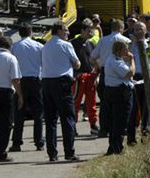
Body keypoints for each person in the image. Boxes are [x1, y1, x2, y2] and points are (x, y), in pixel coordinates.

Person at [42, 22, 81, 162]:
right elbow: (77, 63)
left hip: (46, 82)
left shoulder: (46, 46)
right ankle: (69, 152)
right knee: (67, 118)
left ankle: (52, 153)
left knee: (51, 120)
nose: (68, 33)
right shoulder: (66, 45)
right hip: (61, 82)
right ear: (58, 31)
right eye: (66, 30)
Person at [91, 19, 131, 138]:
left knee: (104, 102)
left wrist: (98, 67)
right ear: (121, 28)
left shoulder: (103, 40)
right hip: (121, 71)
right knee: (121, 104)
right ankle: (120, 128)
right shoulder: (126, 40)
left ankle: (104, 129)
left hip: (105, 71)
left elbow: (92, 57)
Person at [9, 23, 44, 152]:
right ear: (31, 32)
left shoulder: (15, 47)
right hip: (35, 81)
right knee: (38, 113)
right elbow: (43, 63)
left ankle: (17, 143)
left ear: (19, 33)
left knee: (19, 113)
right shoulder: (39, 46)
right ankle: (39, 142)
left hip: (21, 82)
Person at [104, 40, 135, 155]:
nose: (127, 51)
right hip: (119, 93)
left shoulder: (114, 59)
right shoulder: (115, 61)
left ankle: (113, 147)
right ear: (119, 50)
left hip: (113, 92)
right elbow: (130, 73)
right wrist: (132, 60)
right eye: (125, 49)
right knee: (120, 121)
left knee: (115, 121)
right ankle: (117, 148)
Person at [70, 19, 99, 135]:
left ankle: (93, 125)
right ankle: (73, 126)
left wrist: (96, 74)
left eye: (91, 30)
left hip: (90, 76)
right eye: (88, 30)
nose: (90, 33)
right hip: (78, 77)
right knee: (76, 103)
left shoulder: (91, 44)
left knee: (91, 103)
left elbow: (95, 60)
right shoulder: (73, 43)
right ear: (82, 30)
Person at [127, 22, 150, 145]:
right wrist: (133, 43)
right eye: (135, 29)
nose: (138, 31)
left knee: (147, 107)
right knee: (133, 109)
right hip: (135, 77)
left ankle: (146, 135)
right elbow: (127, 58)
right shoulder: (131, 45)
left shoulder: (149, 43)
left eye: (140, 29)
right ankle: (131, 138)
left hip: (147, 77)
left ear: (145, 30)